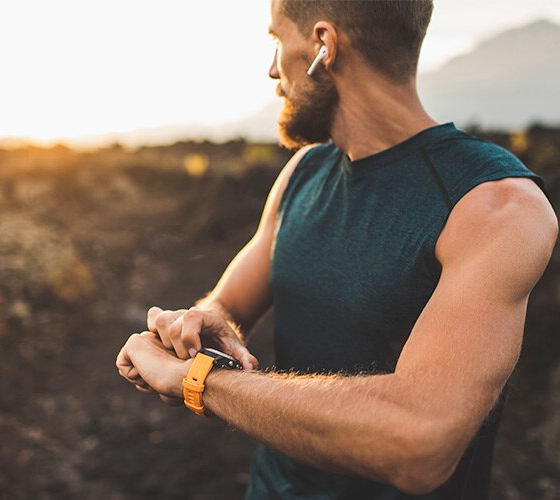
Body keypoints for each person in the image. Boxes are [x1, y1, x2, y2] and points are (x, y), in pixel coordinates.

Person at [116, 0, 558, 498]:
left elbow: (419, 444)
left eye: (276, 40)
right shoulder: (303, 172)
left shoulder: (496, 206)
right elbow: (226, 304)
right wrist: (195, 323)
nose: (270, 68)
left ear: (323, 46)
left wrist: (198, 379)